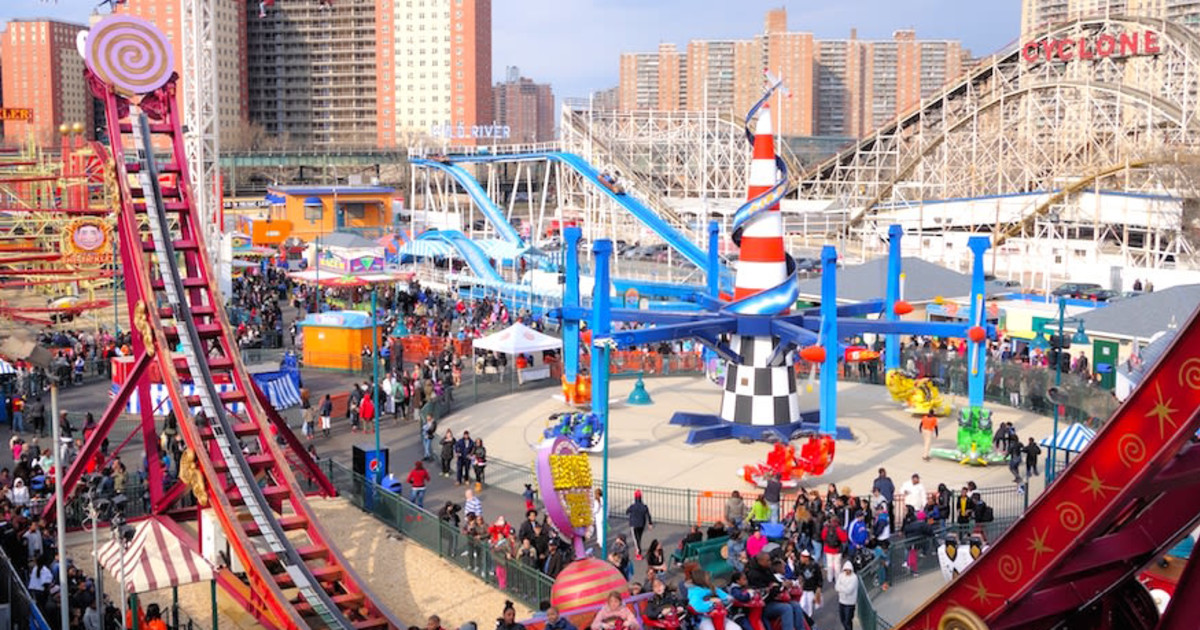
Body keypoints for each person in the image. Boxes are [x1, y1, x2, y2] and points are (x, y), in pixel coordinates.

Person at [745, 552, 803, 630]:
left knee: (796, 605)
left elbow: (775, 583)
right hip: (764, 605)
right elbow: (764, 592)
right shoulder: (753, 575)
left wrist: (783, 584)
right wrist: (779, 587)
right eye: (768, 561)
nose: (770, 562)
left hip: (774, 599)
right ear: (760, 561)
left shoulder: (767, 569)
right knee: (786, 608)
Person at [797, 549, 823, 622]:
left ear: (806, 558)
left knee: (809, 608)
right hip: (802, 590)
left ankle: (808, 621)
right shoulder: (799, 565)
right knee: (802, 605)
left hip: (811, 590)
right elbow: (797, 575)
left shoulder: (815, 566)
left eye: (802, 557)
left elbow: (819, 579)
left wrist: (818, 589)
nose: (801, 559)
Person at [626, 490, 653, 559]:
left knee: (635, 538)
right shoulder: (644, 506)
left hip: (634, 524)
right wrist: (650, 523)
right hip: (641, 524)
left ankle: (638, 552)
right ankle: (638, 548)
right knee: (639, 537)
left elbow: (627, 511)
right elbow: (648, 515)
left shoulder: (633, 506)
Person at [821, 517, 847, 583]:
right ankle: (837, 578)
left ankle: (830, 578)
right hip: (837, 550)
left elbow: (823, 537)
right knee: (837, 565)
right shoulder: (839, 529)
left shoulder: (826, 528)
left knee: (829, 564)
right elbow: (844, 539)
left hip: (828, 549)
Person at [834, 562, 858, 630]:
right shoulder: (841, 575)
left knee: (848, 621)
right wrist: (843, 588)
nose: (847, 571)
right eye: (846, 569)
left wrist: (841, 587)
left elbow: (849, 590)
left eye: (848, 570)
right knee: (842, 619)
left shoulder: (854, 578)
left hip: (850, 603)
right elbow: (836, 587)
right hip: (841, 601)